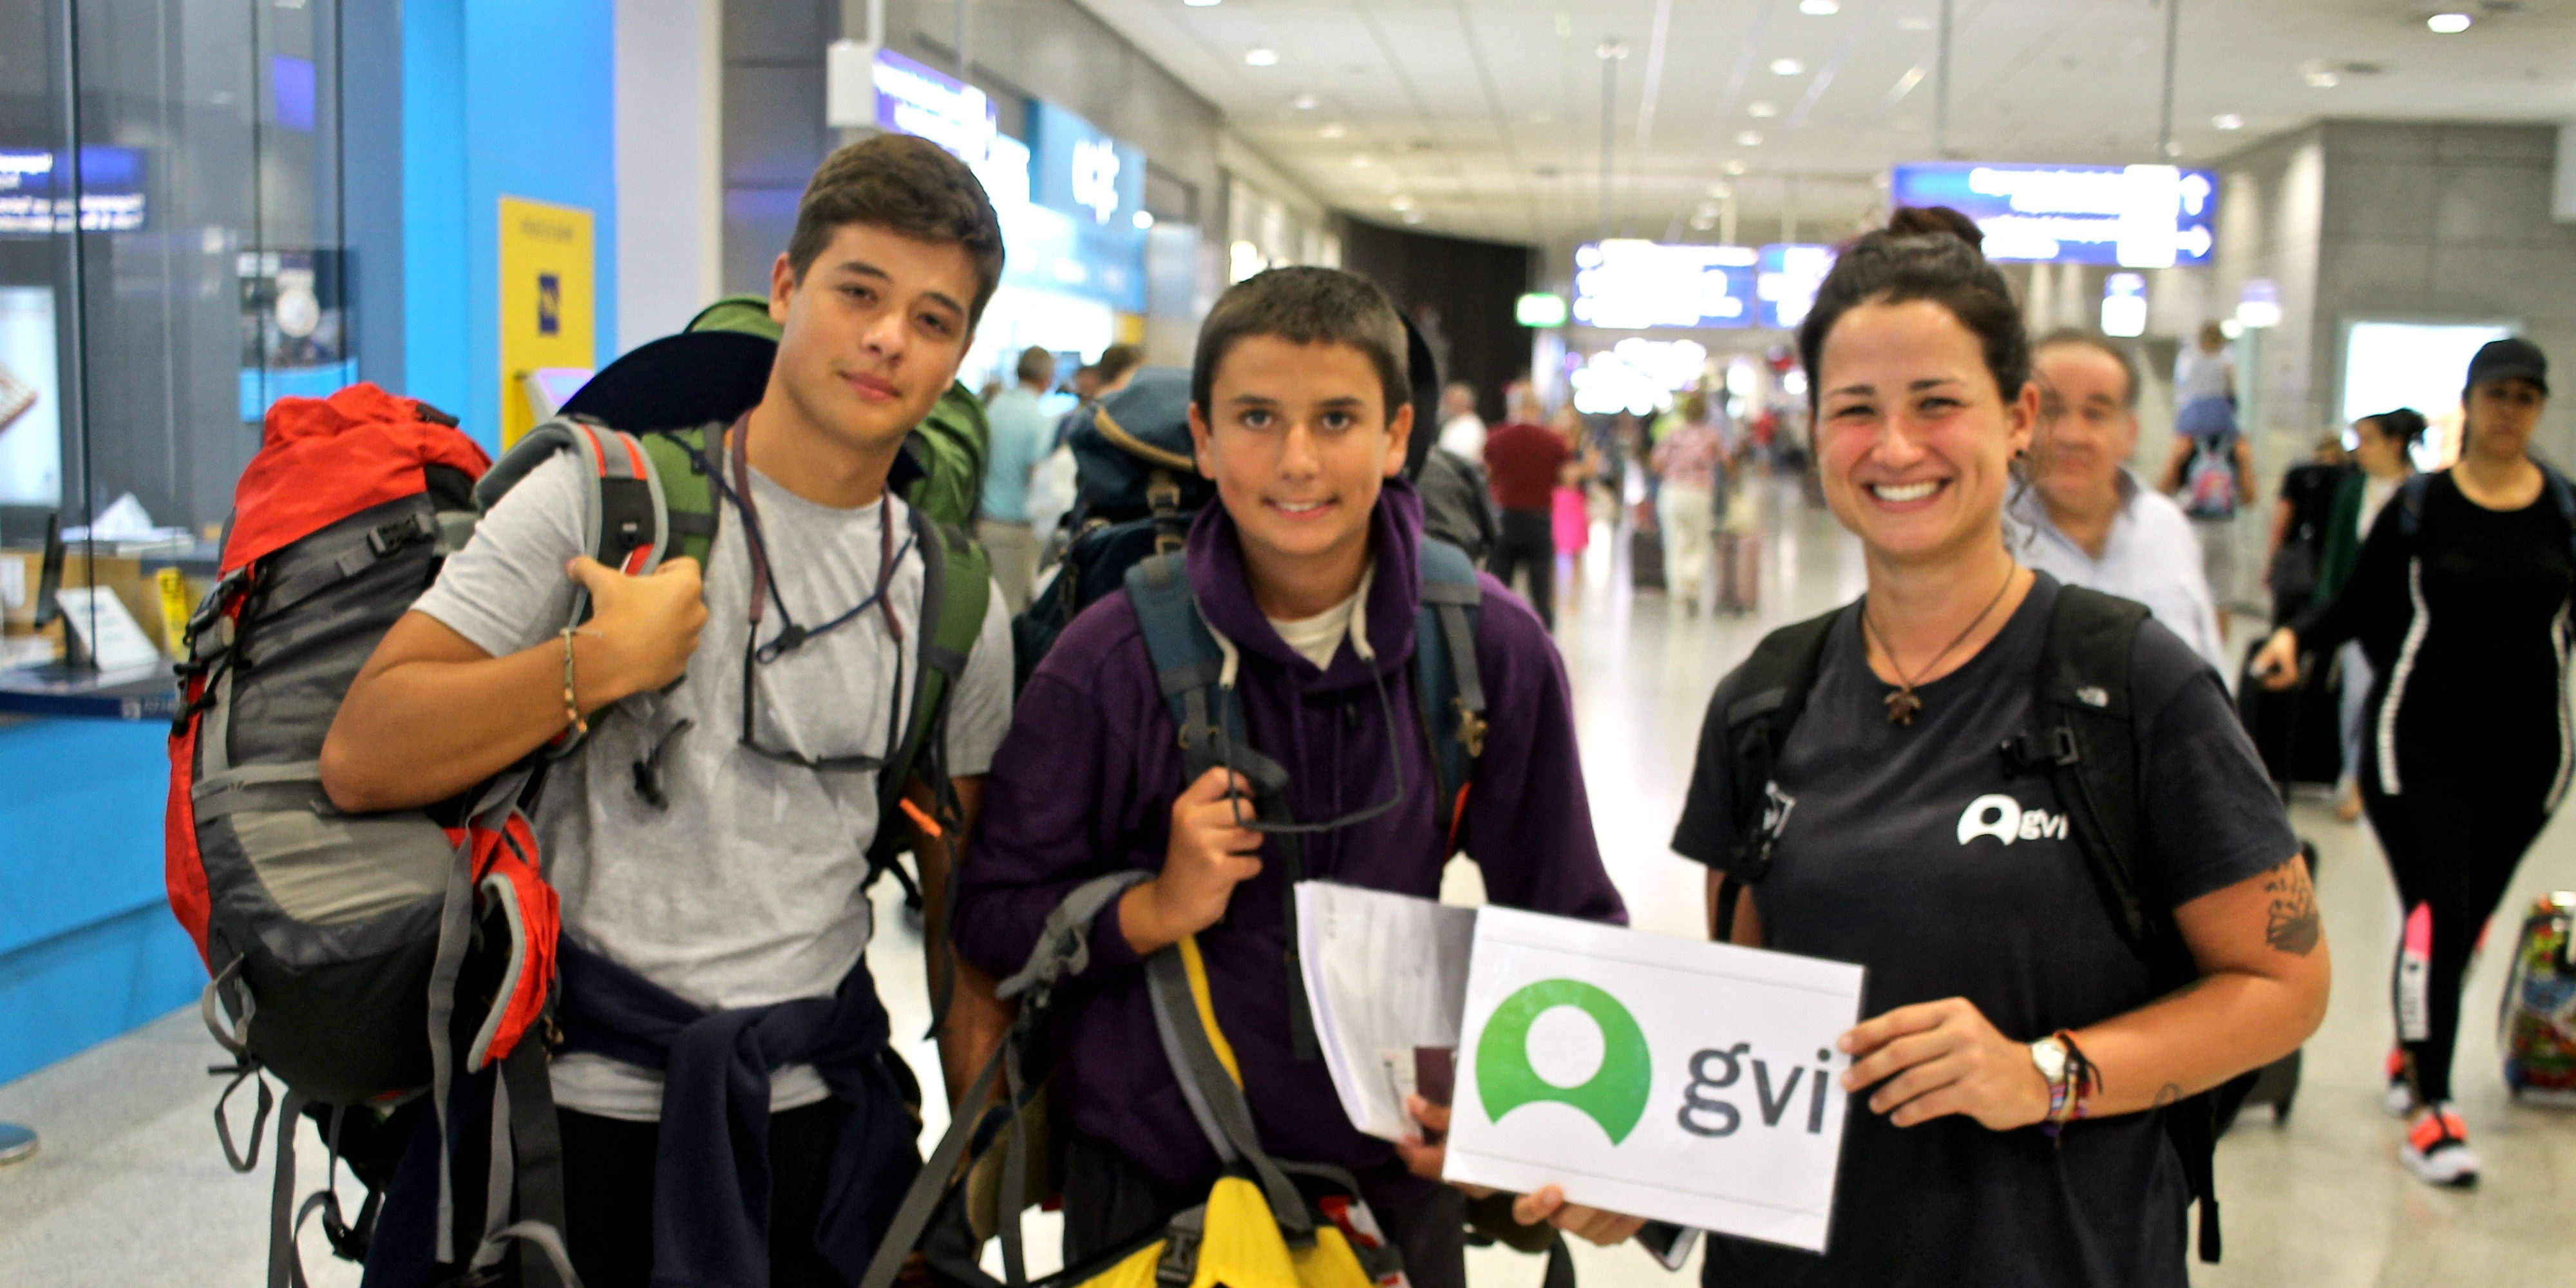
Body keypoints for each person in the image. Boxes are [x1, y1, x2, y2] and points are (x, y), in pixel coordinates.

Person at [319, 133, 1018, 1287]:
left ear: (959, 358)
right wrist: (589, 667)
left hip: (819, 1127)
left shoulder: (956, 603)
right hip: (563, 1125)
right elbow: (364, 752)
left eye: (934, 320)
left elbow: (962, 921)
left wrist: (977, 1152)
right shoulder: (599, 500)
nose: (890, 338)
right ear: (787, 290)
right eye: (860, 293)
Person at [1672, 207, 2329, 1285]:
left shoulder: (2131, 682)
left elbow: (2285, 985)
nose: (1894, 448)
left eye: (1938, 404)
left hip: (2055, 1256)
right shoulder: (1766, 700)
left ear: (2017, 416)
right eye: (1855, 410)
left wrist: (2046, 1076)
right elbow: (1743, 1025)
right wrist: (1619, 1167)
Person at [951, 266, 1631, 1287]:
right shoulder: (1112, 655)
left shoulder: (1488, 646)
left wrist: (1507, 1111)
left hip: (1392, 1205)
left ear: (1397, 436)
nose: (1298, 460)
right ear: (1206, 436)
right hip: (1152, 1201)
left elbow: (1571, 928)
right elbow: (994, 913)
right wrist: (1155, 905)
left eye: (1338, 418)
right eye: (1258, 418)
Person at [2253, 338, 2566, 1188]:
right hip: (2417, 740)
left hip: (2531, 754)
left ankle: (2413, 1047)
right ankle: (2431, 1105)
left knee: (2471, 918)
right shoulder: (2424, 505)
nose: (2511, 411)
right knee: (2438, 906)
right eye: (2497, 394)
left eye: (2527, 398)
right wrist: (2293, 638)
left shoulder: (2564, 508)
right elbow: (2354, 604)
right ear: (2469, 404)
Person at [2007, 330, 2228, 675]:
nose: (2071, 436)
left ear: (2130, 432)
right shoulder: (1984, 535)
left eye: (2095, 414)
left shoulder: (2166, 526)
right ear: (2017, 423)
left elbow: (2210, 677)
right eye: (2049, 412)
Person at [2313, 408, 2425, 822]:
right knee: (2357, 697)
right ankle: (2354, 780)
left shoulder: (2420, 494)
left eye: (2369, 440)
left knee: (2401, 700)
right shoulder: (2351, 490)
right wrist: (2325, 608)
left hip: (2408, 619)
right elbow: (2335, 554)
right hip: (2358, 615)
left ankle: (2396, 779)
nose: (2360, 450)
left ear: (2395, 444)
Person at [2159, 321, 2255, 612]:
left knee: (2189, 596)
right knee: (2218, 599)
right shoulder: (2234, 443)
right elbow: (2250, 497)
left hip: (2192, 524)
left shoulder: (2186, 438)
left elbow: (2163, 489)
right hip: (2222, 525)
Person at [980, 345, 1057, 613]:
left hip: (982, 522)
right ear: (1047, 379)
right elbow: (1039, 479)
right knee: (1010, 614)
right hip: (1015, 529)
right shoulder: (1038, 420)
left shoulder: (994, 407)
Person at [1484, 392, 1569, 629]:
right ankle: (1546, 643)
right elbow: (1564, 479)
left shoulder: (1496, 437)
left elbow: (1486, 476)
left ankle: (1494, 636)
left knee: (1498, 589)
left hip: (1505, 520)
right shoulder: (1553, 440)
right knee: (1541, 590)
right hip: (1538, 521)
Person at [2264, 431, 2354, 625]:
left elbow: (2281, 522)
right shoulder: (2352, 479)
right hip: (2335, 564)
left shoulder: (2300, 474)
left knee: (2286, 622)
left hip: (2299, 559)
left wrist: (2271, 562)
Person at [1651, 393, 1727, 616]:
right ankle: (1692, 587)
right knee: (1698, 542)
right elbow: (1726, 460)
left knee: (1674, 543)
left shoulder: (1673, 435)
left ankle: (1678, 596)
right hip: (1699, 493)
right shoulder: (1711, 436)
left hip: (1672, 492)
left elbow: (1656, 463)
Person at [1436, 379, 1486, 459]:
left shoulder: (1471, 426)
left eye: (1454, 401)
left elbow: (1463, 456)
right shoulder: (1454, 422)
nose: (1450, 405)